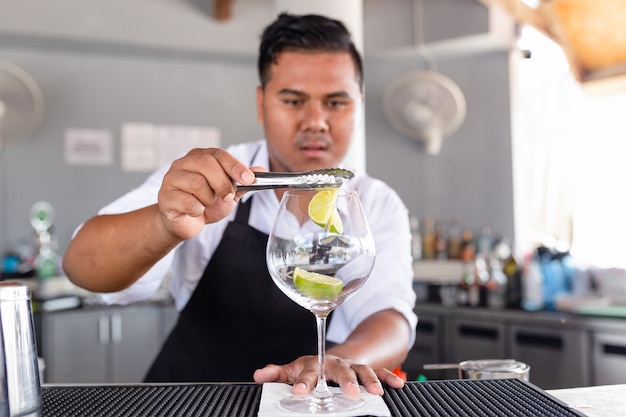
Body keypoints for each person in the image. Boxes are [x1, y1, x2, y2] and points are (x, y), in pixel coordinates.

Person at [63, 12, 417, 397]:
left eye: (336, 102)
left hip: (311, 401)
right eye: (294, 100)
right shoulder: (210, 178)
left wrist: (335, 361)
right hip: (192, 401)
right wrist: (165, 223)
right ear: (261, 102)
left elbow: (391, 318)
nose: (316, 121)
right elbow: (82, 267)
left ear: (359, 105)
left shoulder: (376, 203)